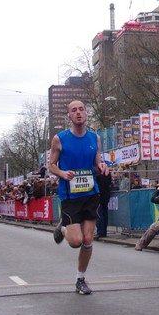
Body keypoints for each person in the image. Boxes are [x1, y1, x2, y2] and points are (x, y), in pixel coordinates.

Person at [49, 100, 108, 295]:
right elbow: (51, 165)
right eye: (74, 110)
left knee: (88, 239)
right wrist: (62, 173)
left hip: (91, 193)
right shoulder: (60, 139)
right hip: (70, 196)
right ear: (69, 116)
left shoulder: (94, 138)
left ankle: (80, 279)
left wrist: (102, 166)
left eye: (81, 109)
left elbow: (97, 163)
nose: (78, 113)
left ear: (86, 113)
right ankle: (63, 228)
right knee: (76, 241)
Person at [95, 167, 112, 239]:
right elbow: (109, 183)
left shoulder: (97, 175)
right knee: (104, 214)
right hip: (106, 195)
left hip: (99, 196)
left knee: (100, 214)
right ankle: (104, 231)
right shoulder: (107, 174)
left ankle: (100, 231)